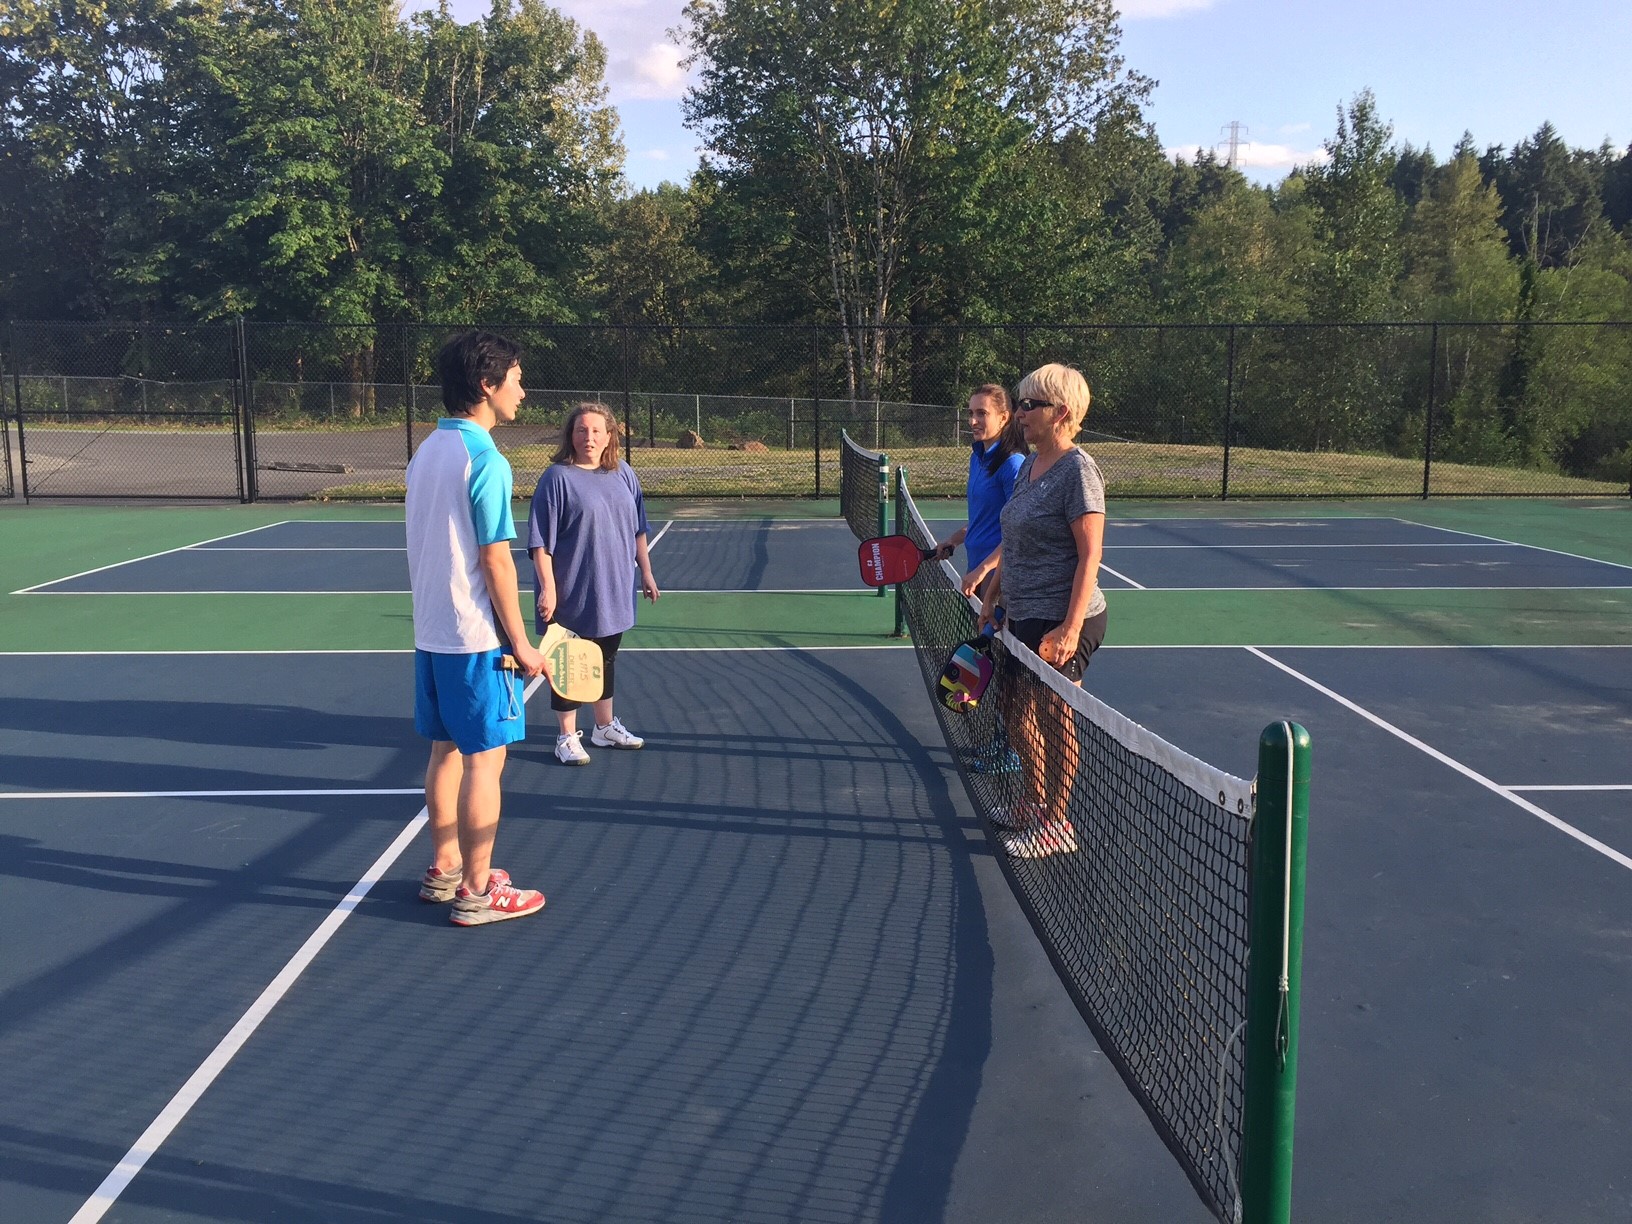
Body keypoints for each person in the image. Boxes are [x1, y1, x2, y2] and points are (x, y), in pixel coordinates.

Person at [407, 331, 548, 926]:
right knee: (485, 761)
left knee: (445, 752)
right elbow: (494, 559)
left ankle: (444, 869)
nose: (523, 388)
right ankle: (477, 891)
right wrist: (522, 643)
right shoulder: (485, 460)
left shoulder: (425, 452)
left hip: (432, 635)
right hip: (476, 641)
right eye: (515, 377)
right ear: (487, 386)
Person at [973, 363, 1108, 859]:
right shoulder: (1028, 468)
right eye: (1021, 404)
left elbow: (1090, 553)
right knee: (1012, 705)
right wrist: (993, 595)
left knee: (1053, 714)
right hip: (1020, 611)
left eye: (1030, 405)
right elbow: (1013, 538)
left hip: (1065, 618)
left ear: (1062, 413)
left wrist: (1070, 627)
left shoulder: (1078, 471)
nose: (1021, 414)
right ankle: (1033, 799)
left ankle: (1057, 821)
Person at [528, 402, 660, 766]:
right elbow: (541, 542)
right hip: (573, 589)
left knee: (606, 656)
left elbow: (637, 530)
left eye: (596, 431)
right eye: (581, 430)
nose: (589, 437)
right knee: (568, 663)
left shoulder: (624, 474)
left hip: (614, 586)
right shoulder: (557, 478)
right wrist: (548, 587)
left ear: (609, 436)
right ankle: (566, 736)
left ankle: (603, 728)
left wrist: (645, 572)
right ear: (570, 436)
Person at [929, 383, 1026, 774]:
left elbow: (1018, 528)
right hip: (979, 576)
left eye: (981, 413)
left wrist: (985, 569)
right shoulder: (978, 457)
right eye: (970, 412)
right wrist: (956, 538)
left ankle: (1010, 751)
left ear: (1004, 417)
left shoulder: (1014, 464)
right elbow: (987, 519)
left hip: (1002, 580)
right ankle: (1002, 743)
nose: (972, 420)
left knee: (1006, 671)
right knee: (997, 665)